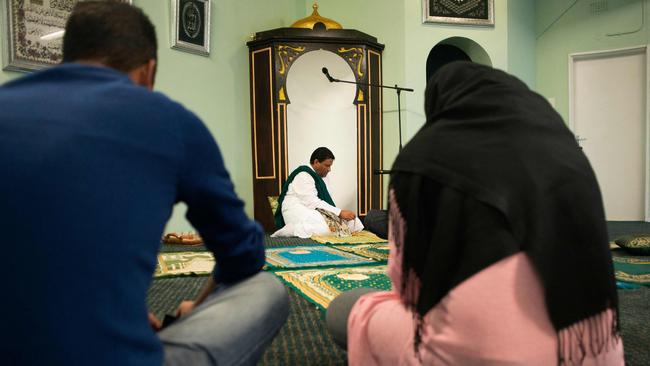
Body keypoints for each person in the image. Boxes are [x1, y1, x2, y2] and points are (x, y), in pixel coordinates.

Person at [0, 3, 287, 366]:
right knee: (267, 290)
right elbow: (244, 255)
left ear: (67, 57)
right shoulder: (170, 121)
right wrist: (194, 309)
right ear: (148, 70)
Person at [326, 62, 624, 365]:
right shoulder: (567, 155)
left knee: (347, 308)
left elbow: (407, 285)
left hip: (475, 351)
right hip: (587, 343)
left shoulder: (425, 157)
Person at [272, 147, 364, 238]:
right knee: (325, 228)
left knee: (354, 222)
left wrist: (338, 213)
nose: (329, 169)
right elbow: (311, 202)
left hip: (314, 210)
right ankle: (290, 229)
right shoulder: (303, 175)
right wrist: (339, 212)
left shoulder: (323, 177)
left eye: (330, 166)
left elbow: (324, 201)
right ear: (316, 162)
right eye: (327, 165)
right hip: (296, 209)